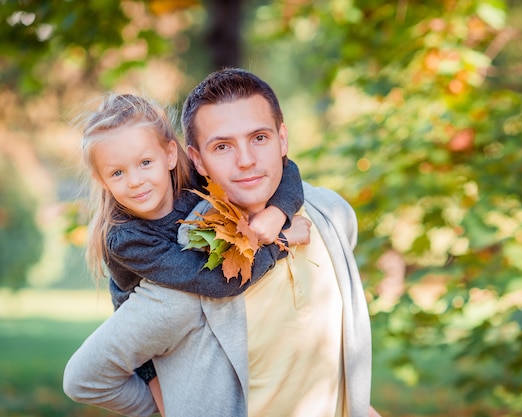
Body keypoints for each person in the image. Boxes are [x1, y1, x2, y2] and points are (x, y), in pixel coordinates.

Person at [64, 68, 377, 416]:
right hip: (158, 303)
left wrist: (276, 214)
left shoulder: (331, 215)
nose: (246, 160)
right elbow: (215, 280)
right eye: (223, 146)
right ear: (198, 159)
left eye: (259, 138)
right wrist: (279, 241)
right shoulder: (155, 265)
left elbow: (290, 173)